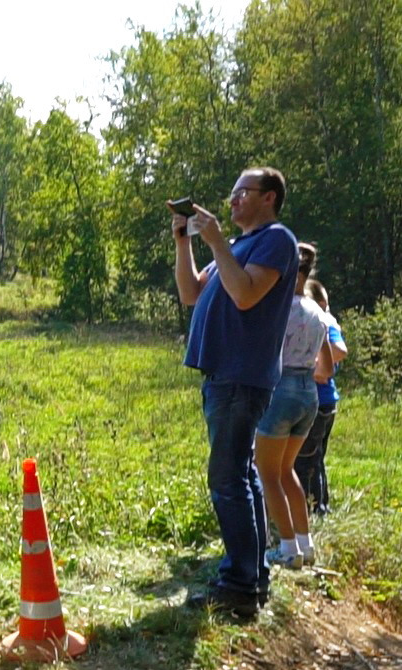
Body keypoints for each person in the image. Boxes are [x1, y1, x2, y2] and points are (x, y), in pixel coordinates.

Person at [172, 167, 300, 619]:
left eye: (241, 193)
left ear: (268, 197)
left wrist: (215, 243)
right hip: (223, 375)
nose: (231, 202)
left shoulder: (277, 240)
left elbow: (246, 295)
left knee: (227, 479)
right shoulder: (237, 247)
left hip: (241, 376)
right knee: (240, 477)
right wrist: (184, 239)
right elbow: (190, 293)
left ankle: (240, 585)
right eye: (231, 194)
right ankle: (251, 578)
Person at [257, 243, 334, 570]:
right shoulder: (318, 311)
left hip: (281, 389)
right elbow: (326, 368)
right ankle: (305, 542)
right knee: (287, 470)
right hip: (309, 395)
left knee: (267, 472)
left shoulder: (276, 308)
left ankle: (287, 548)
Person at [293, 278, 348, 515]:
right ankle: (319, 508)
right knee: (314, 458)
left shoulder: (324, 321)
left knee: (306, 461)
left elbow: (340, 351)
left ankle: (313, 511)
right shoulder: (320, 319)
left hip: (319, 401)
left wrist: (312, 366)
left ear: (321, 302)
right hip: (323, 401)